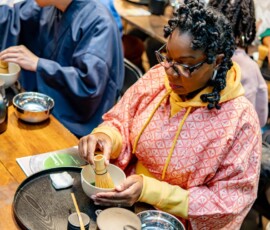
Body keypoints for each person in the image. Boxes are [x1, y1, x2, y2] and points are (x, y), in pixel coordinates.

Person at [79, 0, 261, 229]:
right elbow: (122, 121)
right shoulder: (158, 78)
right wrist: (106, 138)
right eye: (167, 57)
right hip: (125, 205)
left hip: (176, 222)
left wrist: (151, 191)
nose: (170, 73)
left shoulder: (240, 121)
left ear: (216, 61)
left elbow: (228, 202)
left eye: (185, 65)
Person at [0, 0, 124, 138]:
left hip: (78, 122)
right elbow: (14, 17)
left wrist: (38, 64)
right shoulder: (51, 7)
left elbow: (89, 85)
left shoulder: (99, 23)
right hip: (44, 105)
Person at [207, 0, 268, 127]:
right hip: (238, 137)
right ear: (248, 23)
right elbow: (260, 118)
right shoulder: (250, 68)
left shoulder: (199, 56)